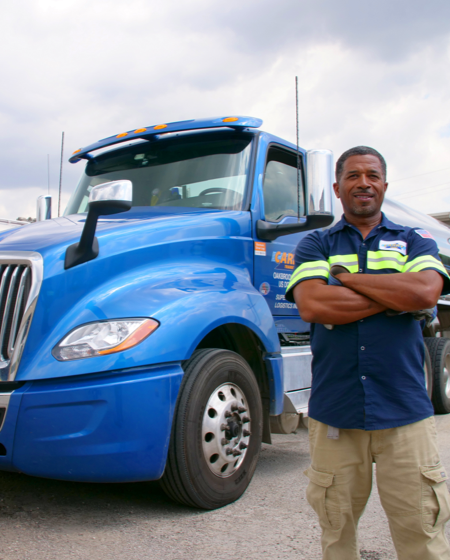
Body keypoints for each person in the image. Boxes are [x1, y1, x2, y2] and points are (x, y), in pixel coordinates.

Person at [284, 146, 450, 560]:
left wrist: (346, 279)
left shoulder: (414, 240)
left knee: (423, 536)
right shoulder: (313, 244)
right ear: (338, 188)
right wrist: (397, 296)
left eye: (372, 175)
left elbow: (427, 292)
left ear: (384, 185)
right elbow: (313, 305)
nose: (364, 183)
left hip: (405, 412)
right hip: (336, 411)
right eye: (354, 176)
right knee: (337, 536)